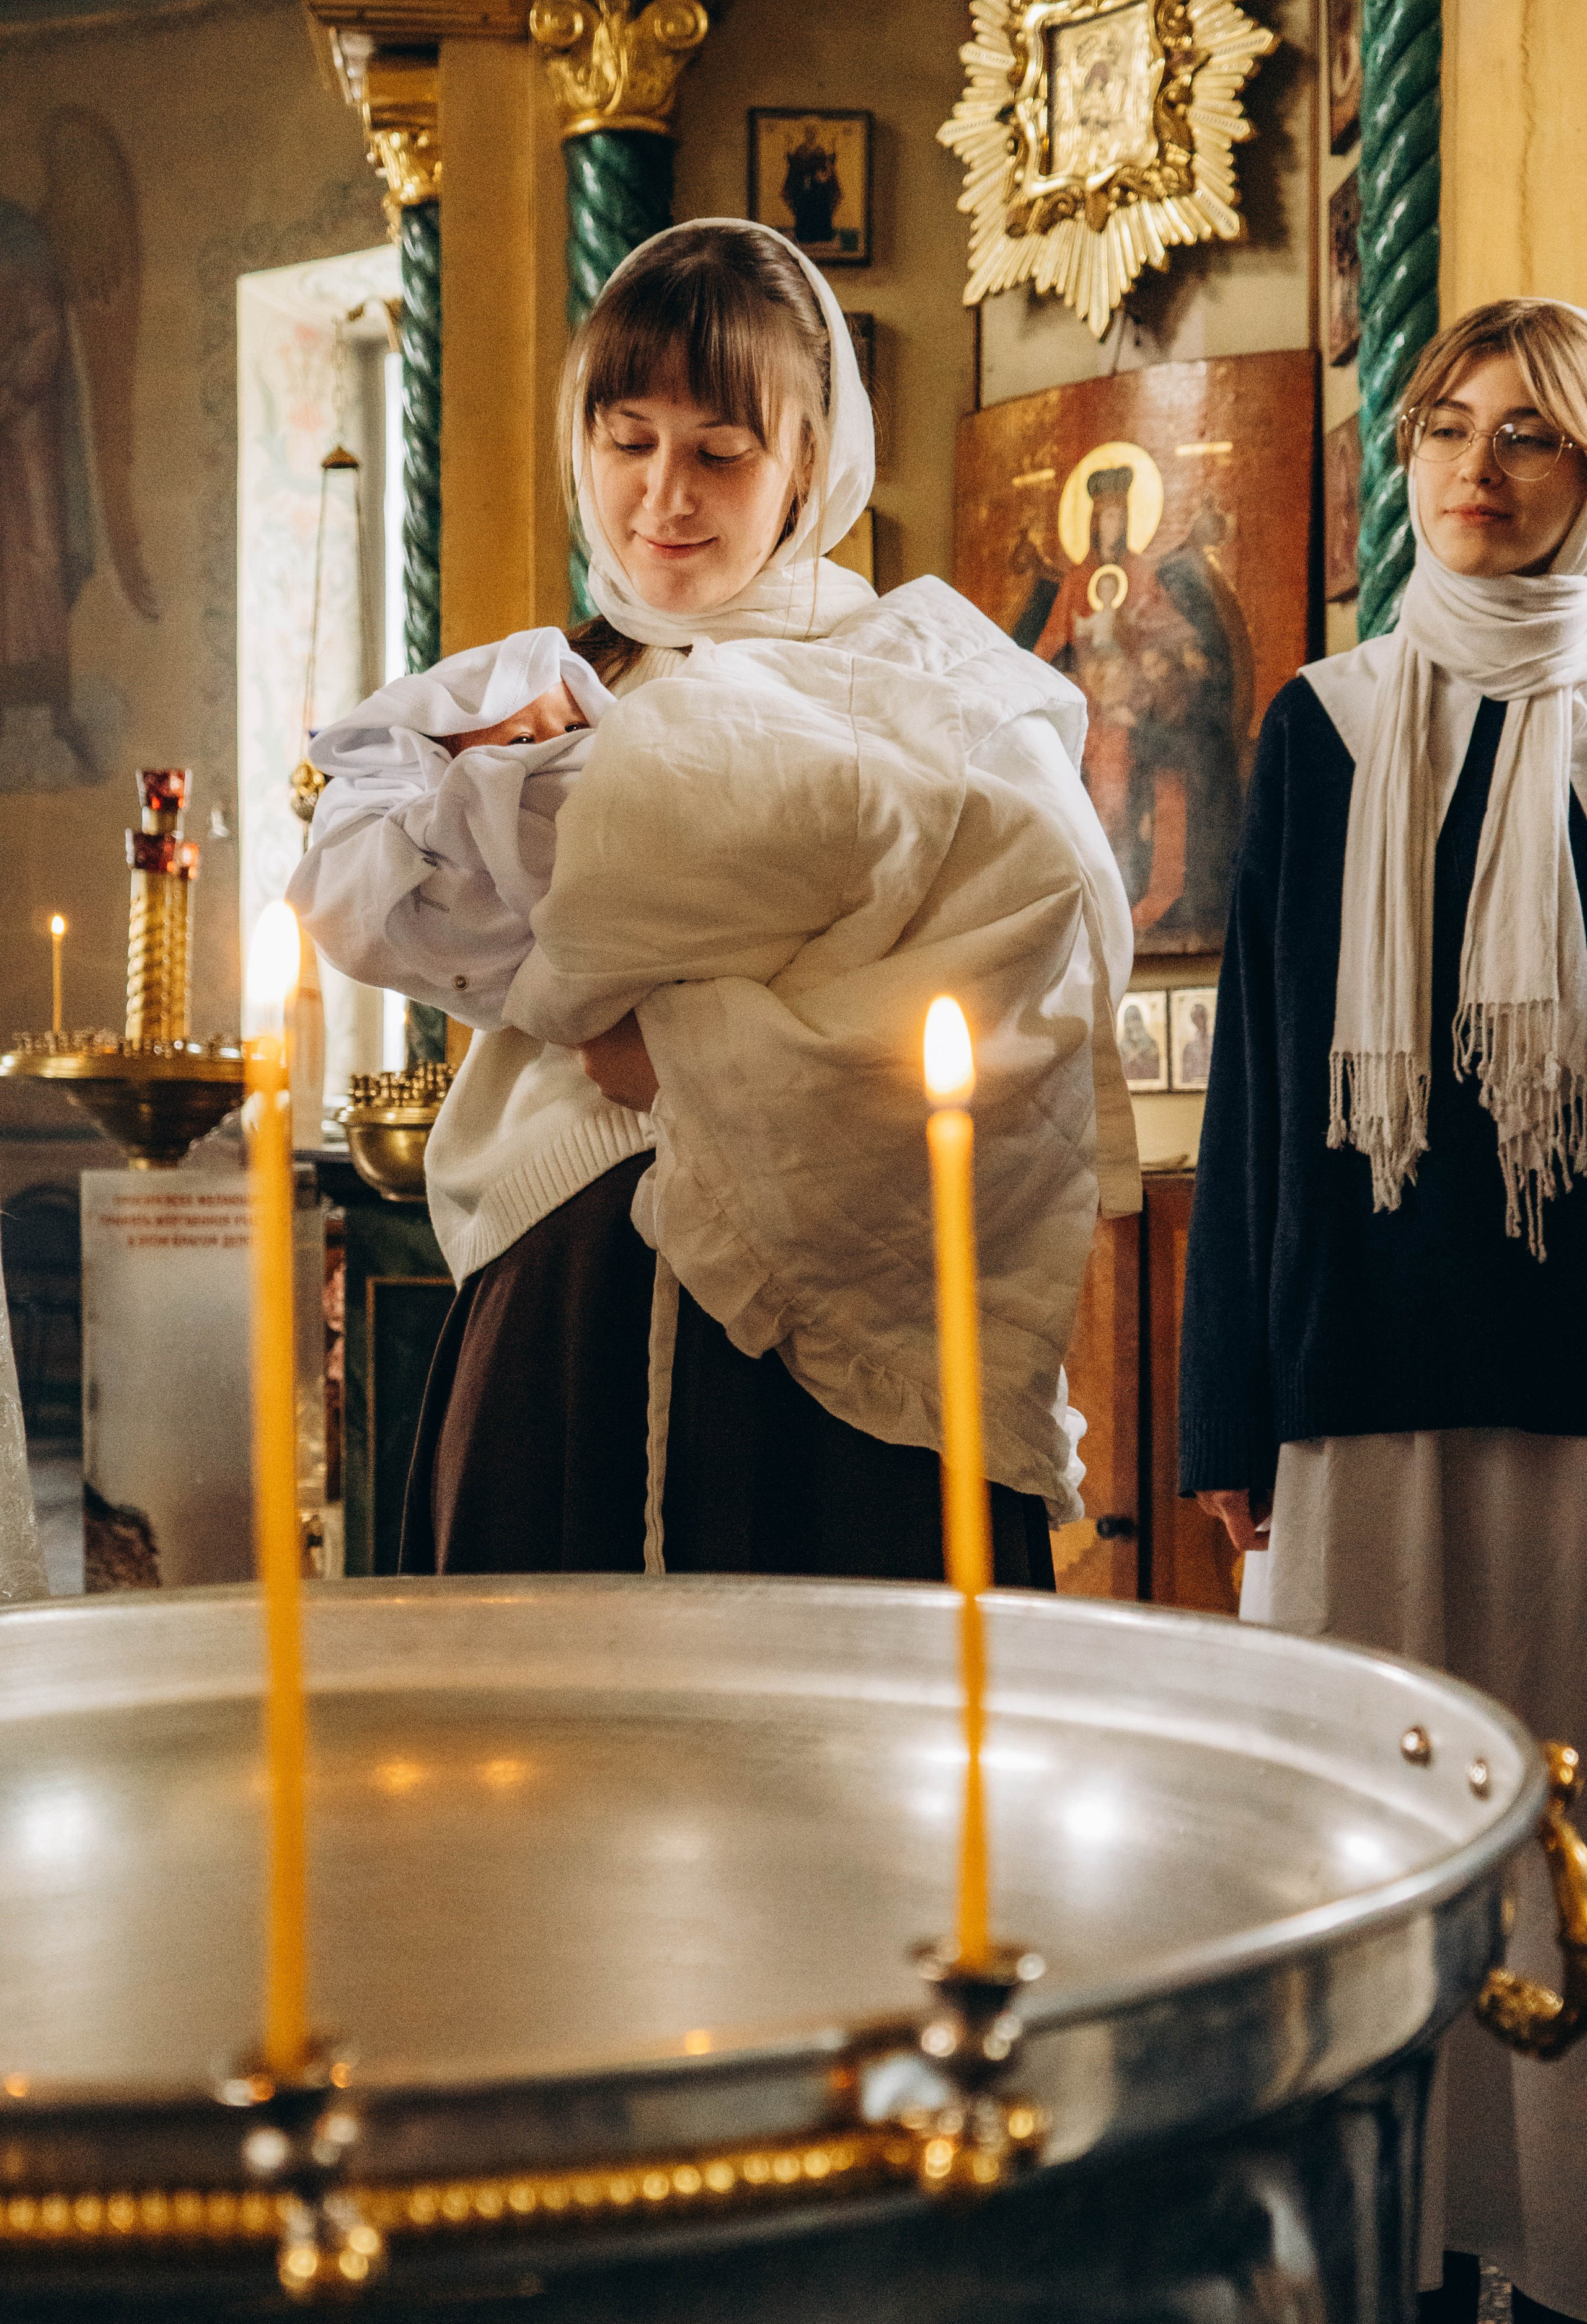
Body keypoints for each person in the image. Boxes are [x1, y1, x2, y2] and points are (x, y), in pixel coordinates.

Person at [292, 218, 1138, 1587]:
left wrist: (678, 1048)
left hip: (810, 1381)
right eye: (626, 443)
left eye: (717, 453)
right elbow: (372, 886)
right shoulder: (533, 694)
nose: (663, 497)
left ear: (805, 462)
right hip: (559, 1306)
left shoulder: (925, 685)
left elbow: (1023, 982)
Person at [1178, 298, 1587, 2324]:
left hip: (1578, 1400)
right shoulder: (1326, 726)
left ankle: (1562, 2254)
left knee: (1576, 1860)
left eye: (1531, 437)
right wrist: (1224, 1433)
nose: (1480, 470)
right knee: (1381, 1850)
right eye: (1446, 428)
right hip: (1363, 1399)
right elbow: (1264, 1095)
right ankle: (1391, 2243)